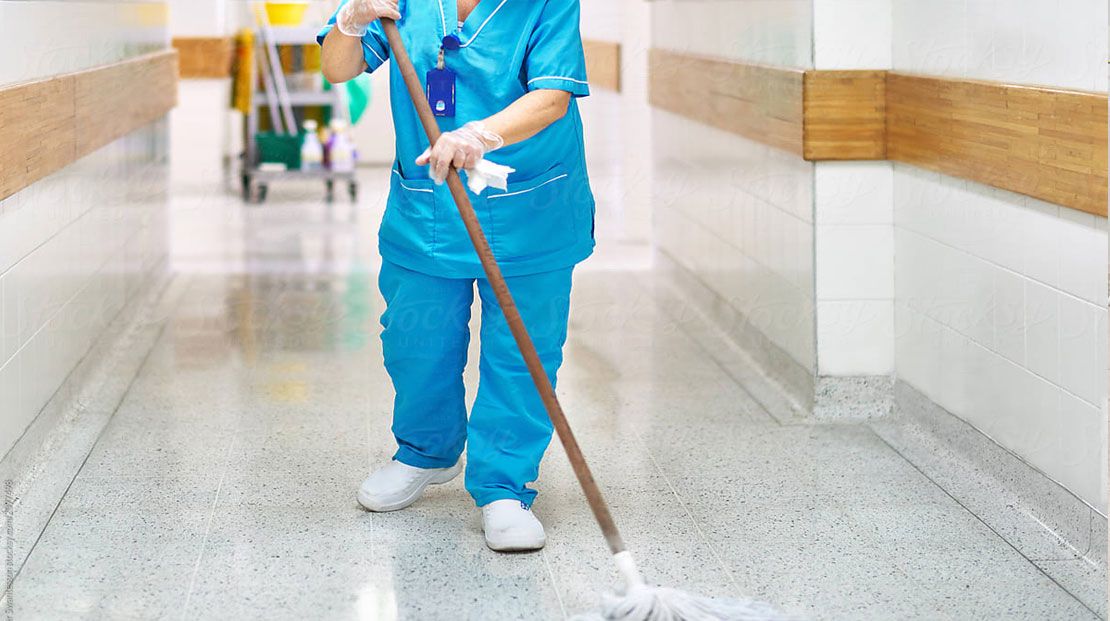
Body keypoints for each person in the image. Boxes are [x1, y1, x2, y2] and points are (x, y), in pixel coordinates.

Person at [318, 0, 595, 552]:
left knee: (523, 351)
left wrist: (479, 134)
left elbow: (553, 97)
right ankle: (425, 451)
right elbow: (337, 68)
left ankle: (503, 486)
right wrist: (350, 20)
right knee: (414, 338)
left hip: (529, 206)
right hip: (430, 204)